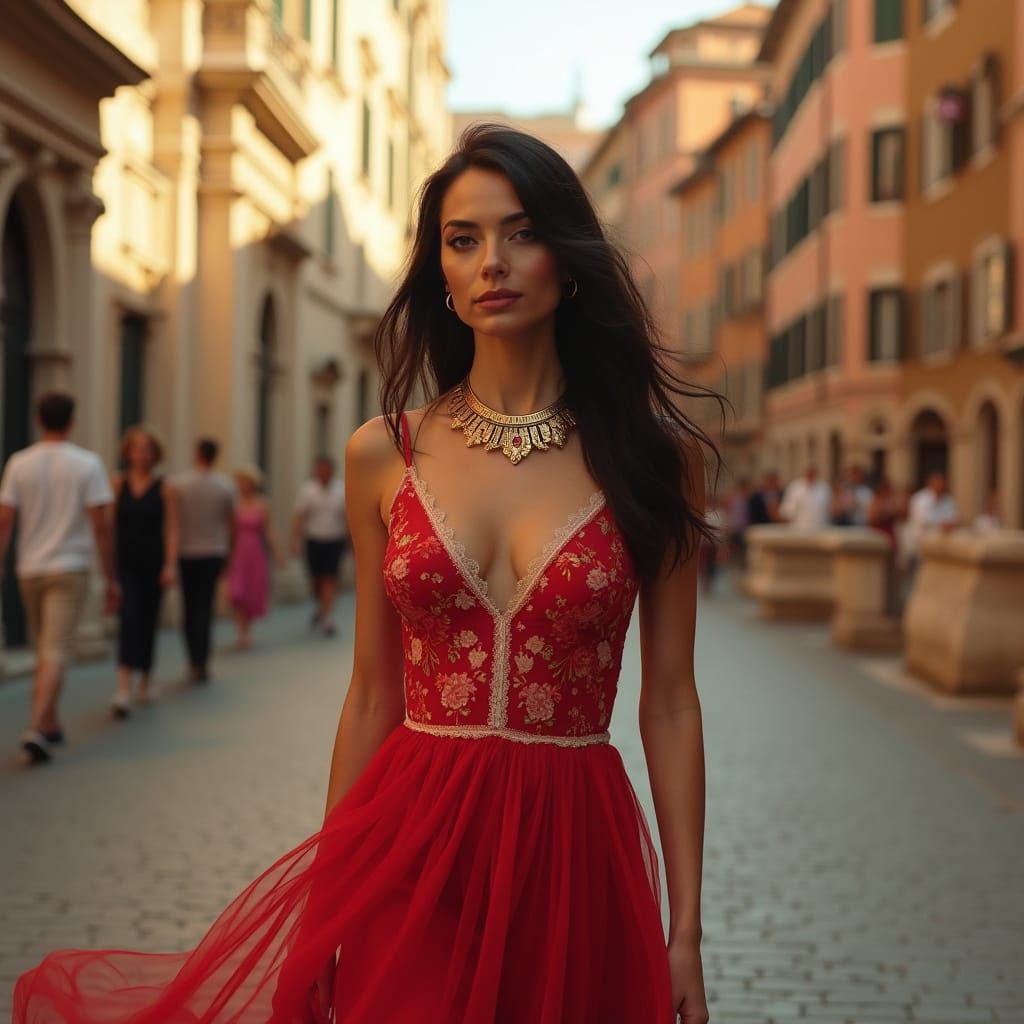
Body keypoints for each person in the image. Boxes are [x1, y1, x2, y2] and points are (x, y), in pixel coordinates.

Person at [13, 125, 722, 1023]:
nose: (491, 261)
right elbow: (370, 696)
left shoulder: (654, 459)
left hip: (571, 851)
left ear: (569, 261)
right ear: (442, 275)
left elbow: (669, 702)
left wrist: (686, 930)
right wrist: (324, 912)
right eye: (462, 240)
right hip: (411, 843)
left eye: (522, 232)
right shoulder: (384, 455)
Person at [0, 392, 120, 763]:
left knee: (44, 647)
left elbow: (5, 520)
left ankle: (50, 723)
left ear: (39, 419)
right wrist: (110, 576)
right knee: (55, 649)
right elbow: (101, 525)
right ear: (72, 421)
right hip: (70, 567)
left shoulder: (19, 462)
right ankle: (37, 724)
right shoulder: (87, 464)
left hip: (30, 568)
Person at [110, 425, 179, 718]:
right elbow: (110, 526)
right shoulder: (117, 484)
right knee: (129, 617)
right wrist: (108, 568)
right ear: (127, 452)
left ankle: (146, 679)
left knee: (149, 619)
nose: (141, 453)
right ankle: (123, 686)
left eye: (147, 448)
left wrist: (170, 564)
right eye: (136, 448)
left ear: (155, 454)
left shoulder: (166, 488)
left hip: (153, 563)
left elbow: (173, 529)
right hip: (125, 562)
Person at [171, 438, 235, 683]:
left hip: (187, 552)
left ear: (197, 454)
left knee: (188, 607)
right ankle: (203, 659)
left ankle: (192, 659)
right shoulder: (225, 486)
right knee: (205, 607)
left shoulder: (179, 484)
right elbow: (230, 525)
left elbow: (174, 522)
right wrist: (229, 553)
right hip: (213, 551)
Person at [226, 464, 282, 650]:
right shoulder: (234, 505)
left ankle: (246, 632)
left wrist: (277, 553)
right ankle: (240, 631)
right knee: (236, 592)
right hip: (239, 552)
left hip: (255, 552)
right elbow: (230, 532)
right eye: (240, 482)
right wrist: (227, 555)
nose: (243, 486)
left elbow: (269, 530)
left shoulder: (262, 504)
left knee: (250, 592)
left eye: (246, 482)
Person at [292, 455, 348, 636]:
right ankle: (320, 606)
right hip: (314, 540)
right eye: (320, 469)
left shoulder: (341, 490)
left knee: (330, 579)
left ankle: (327, 618)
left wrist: (352, 541)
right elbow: (300, 516)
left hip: (335, 539)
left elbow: (348, 517)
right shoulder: (308, 490)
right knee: (316, 580)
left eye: (326, 469)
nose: (323, 472)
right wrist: (295, 540)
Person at [779, 464, 832, 530]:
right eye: (809, 472)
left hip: (820, 529)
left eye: (813, 472)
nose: (811, 474)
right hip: (798, 529)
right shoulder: (795, 487)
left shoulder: (824, 488)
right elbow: (787, 510)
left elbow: (829, 509)